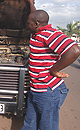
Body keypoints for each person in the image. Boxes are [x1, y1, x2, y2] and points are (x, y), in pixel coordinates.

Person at [20, 0, 80, 130]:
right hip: (36, 89)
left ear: (36, 24)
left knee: (47, 127)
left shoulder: (49, 35)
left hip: (47, 92)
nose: (26, 25)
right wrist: (30, 2)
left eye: (28, 23)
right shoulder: (37, 33)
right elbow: (33, 15)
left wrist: (54, 70)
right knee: (29, 124)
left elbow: (74, 50)